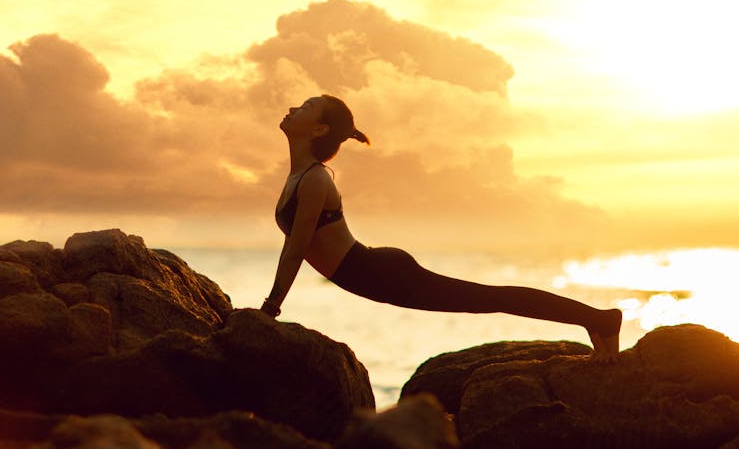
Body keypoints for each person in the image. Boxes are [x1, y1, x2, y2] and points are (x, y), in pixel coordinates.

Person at [260, 94, 623, 362]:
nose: (293, 108)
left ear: (319, 128)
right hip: (375, 272)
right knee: (489, 298)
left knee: (490, 299)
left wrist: (271, 308)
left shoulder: (314, 181)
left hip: (383, 274)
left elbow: (297, 248)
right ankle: (597, 320)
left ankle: (600, 319)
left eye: (306, 108)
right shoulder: (300, 176)